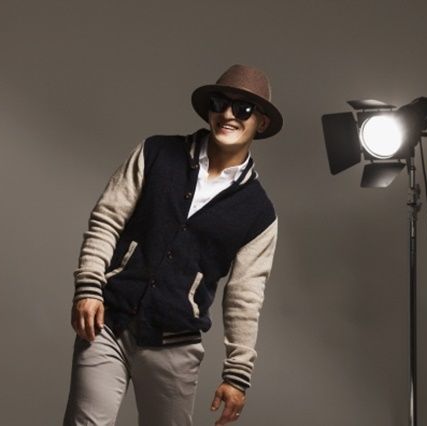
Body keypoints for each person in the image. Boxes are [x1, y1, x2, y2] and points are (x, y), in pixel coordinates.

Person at [63, 64, 283, 426]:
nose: (228, 115)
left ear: (261, 122)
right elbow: (107, 218)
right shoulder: (156, 152)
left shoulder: (259, 213)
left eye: (243, 109)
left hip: (175, 346)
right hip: (107, 323)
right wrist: (89, 286)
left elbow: (245, 294)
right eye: (220, 103)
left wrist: (237, 373)